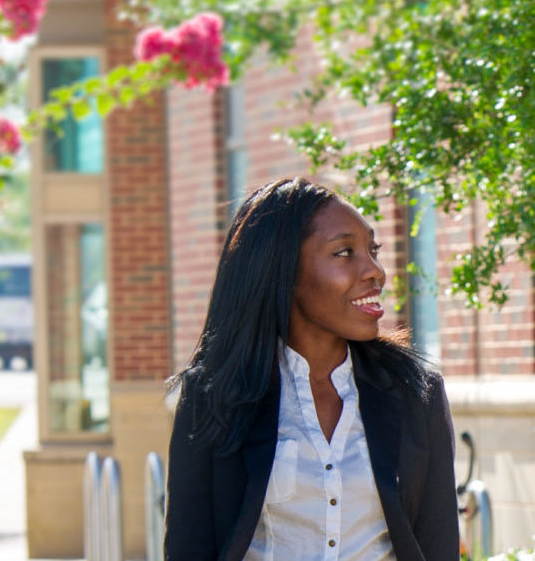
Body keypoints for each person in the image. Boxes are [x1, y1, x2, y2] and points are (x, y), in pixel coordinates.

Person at [164, 177, 458, 561]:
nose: (375, 271)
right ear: (283, 268)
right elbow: (189, 548)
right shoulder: (212, 396)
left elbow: (438, 545)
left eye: (373, 250)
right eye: (344, 253)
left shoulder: (416, 392)